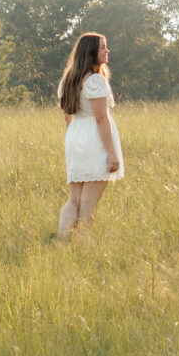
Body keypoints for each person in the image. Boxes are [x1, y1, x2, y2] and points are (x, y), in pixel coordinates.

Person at [55, 31, 122, 239]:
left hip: (75, 137)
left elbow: (68, 117)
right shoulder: (95, 81)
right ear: (91, 51)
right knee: (88, 202)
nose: (106, 50)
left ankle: (63, 240)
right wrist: (111, 152)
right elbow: (101, 118)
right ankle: (82, 245)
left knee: (74, 200)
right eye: (102, 47)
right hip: (95, 140)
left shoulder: (67, 80)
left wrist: (75, 140)